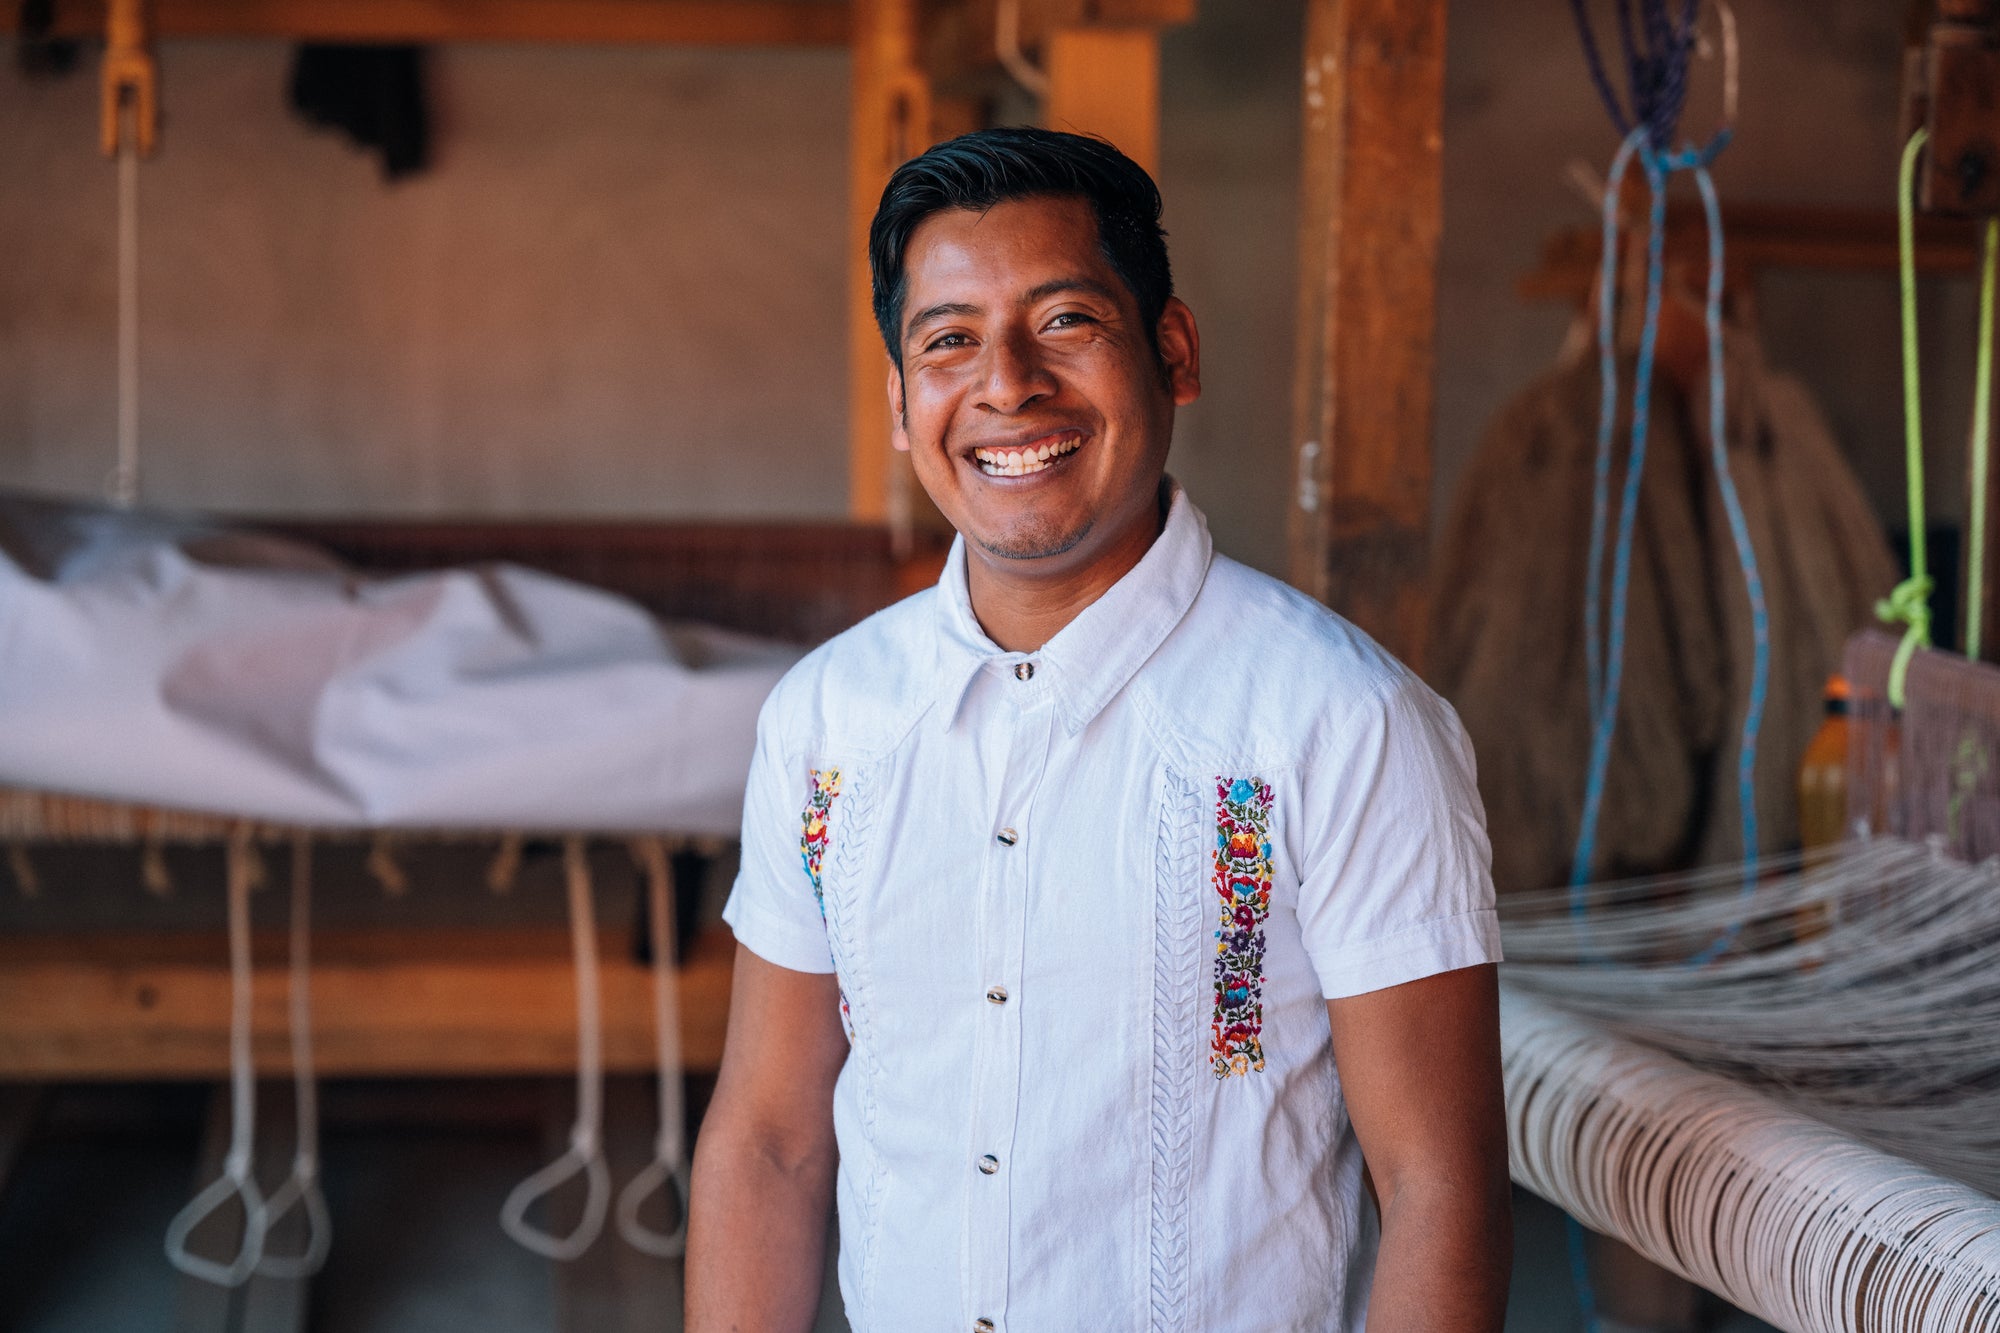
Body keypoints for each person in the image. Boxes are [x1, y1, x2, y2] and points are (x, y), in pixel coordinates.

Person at [687, 126, 1510, 1332]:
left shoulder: (1340, 721)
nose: (1006, 383)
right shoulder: (828, 721)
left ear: (1170, 350)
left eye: (1064, 320)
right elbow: (769, 1142)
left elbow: (1437, 1187)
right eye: (948, 339)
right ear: (903, 402)